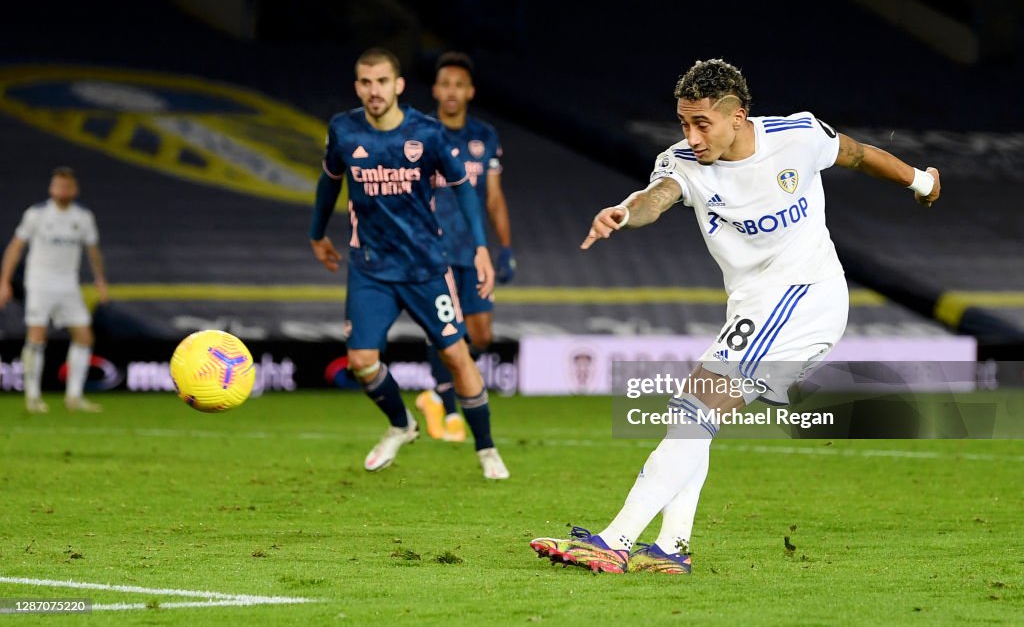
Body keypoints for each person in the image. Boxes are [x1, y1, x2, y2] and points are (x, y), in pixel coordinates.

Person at [530, 58, 940, 573]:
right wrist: (625, 212)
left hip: (807, 300)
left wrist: (921, 182)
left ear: (738, 117)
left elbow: (856, 154)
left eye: (703, 124)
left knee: (696, 409)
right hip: (755, 306)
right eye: (684, 123)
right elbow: (656, 197)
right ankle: (671, 548)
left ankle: (615, 541)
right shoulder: (681, 162)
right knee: (691, 416)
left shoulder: (798, 135)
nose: (693, 136)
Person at [309, 47, 509, 479]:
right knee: (362, 359)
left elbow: (464, 190)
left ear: (398, 85)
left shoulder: (428, 134)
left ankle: (487, 449)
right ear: (357, 86)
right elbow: (329, 184)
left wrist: (479, 248)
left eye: (382, 81)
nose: (373, 90)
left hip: (424, 267)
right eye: (365, 82)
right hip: (371, 268)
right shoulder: (343, 130)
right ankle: (401, 424)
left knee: (458, 355)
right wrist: (317, 233)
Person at [415, 51, 515, 443]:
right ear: (436, 90)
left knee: (481, 335)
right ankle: (447, 409)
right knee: (445, 329)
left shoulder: (484, 136)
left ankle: (439, 394)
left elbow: (493, 196)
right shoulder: (420, 134)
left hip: (474, 251)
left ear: (469, 91)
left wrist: (505, 247)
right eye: (446, 84)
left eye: (459, 84)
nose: (452, 91)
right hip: (432, 249)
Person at [0, 167, 109, 413]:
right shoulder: (37, 214)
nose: (62, 190)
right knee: (37, 336)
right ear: (51, 189)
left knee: (84, 336)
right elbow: (16, 247)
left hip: (68, 284)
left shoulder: (83, 217)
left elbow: (93, 251)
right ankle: (33, 397)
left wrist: (100, 280)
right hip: (39, 282)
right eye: (58, 186)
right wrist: (4, 281)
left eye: (66, 186)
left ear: (75, 190)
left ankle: (74, 397)